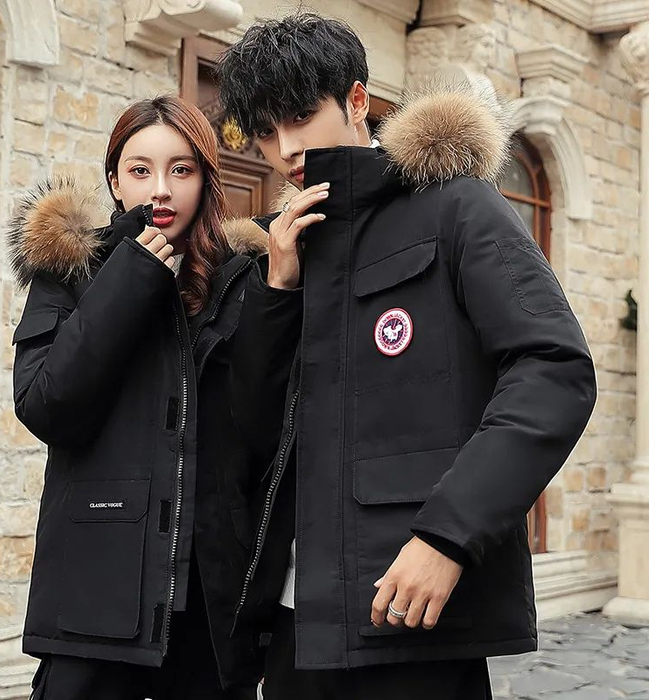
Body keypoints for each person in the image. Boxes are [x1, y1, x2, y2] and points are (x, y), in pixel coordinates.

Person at [216, 13, 597, 700]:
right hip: (296, 624)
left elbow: (553, 369)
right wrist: (277, 292)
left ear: (357, 100)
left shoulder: (457, 208)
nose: (286, 147)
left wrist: (448, 537)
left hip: (413, 610)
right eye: (266, 132)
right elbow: (252, 430)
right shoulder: (279, 248)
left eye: (301, 116)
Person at [7, 95, 267, 700]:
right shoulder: (71, 272)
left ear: (206, 180)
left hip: (210, 605)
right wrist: (132, 277)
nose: (161, 189)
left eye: (182, 169)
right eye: (140, 169)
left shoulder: (242, 279)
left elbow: (265, 425)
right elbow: (45, 405)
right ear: (115, 181)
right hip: (96, 597)